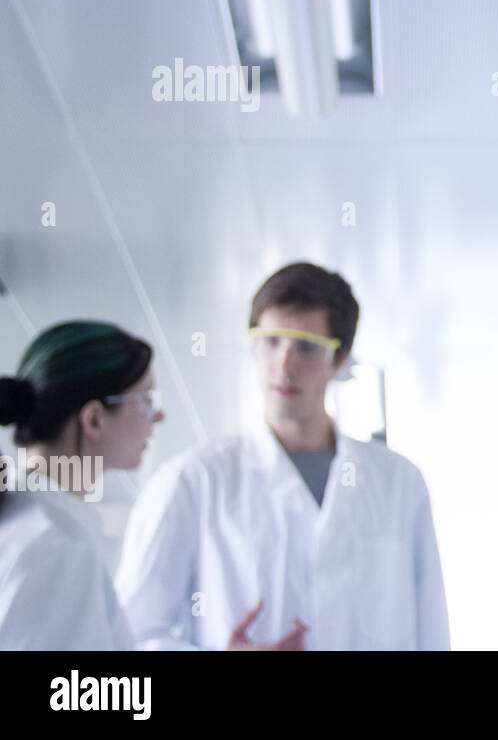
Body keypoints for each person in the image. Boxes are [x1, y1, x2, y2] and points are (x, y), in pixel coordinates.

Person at [114, 262, 450, 650]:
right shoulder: (193, 481)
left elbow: (432, 633)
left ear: (339, 361)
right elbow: (131, 635)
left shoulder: (399, 482)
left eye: (306, 347)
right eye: (271, 341)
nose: (285, 365)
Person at [0, 321, 163, 650]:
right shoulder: (56, 549)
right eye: (145, 400)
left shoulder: (28, 520)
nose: (158, 417)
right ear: (93, 419)